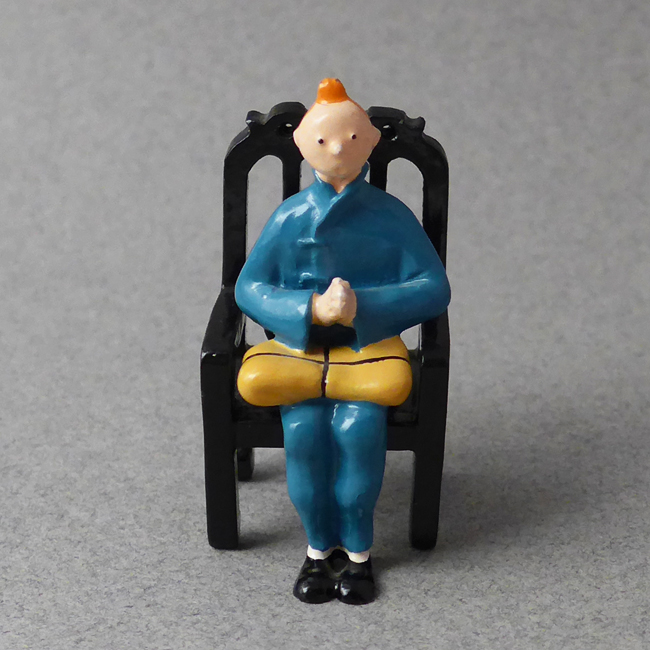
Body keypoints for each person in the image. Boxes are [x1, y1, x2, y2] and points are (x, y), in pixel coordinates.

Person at [235, 79, 451, 605]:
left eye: (351, 138)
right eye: (323, 140)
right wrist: (309, 309)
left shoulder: (390, 215)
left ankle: (358, 551)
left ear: (369, 142)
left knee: (358, 429)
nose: (337, 150)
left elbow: (433, 286)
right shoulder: (290, 216)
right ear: (304, 145)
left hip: (367, 348)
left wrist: (363, 308)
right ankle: (316, 548)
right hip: (299, 347)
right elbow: (248, 286)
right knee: (304, 433)